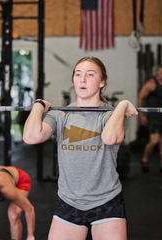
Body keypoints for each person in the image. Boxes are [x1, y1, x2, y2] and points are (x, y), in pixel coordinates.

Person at [23, 57, 138, 240]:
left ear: (102, 82)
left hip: (106, 202)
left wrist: (122, 105)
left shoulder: (111, 115)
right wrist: (38, 105)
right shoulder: (60, 115)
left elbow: (109, 138)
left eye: (90, 74)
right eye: (78, 74)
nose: (82, 79)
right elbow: (30, 136)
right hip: (68, 202)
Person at [137, 63, 162, 175]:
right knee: (154, 141)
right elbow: (140, 97)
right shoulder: (151, 84)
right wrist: (142, 115)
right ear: (157, 73)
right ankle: (144, 160)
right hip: (153, 116)